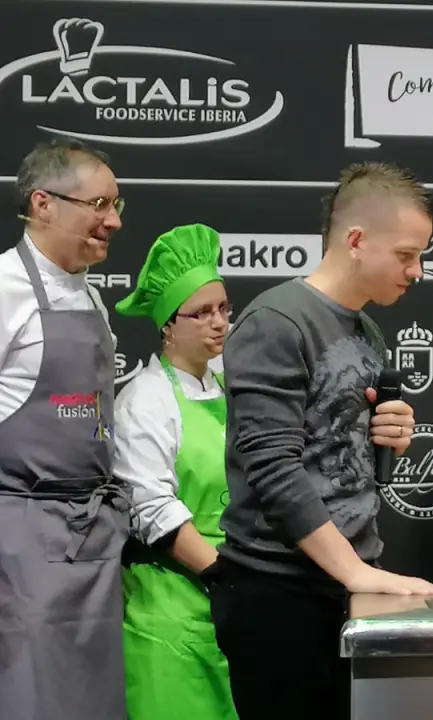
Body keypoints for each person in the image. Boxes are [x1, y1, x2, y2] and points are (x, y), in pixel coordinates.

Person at [207, 162, 433, 720]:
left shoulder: (367, 331)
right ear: (356, 241)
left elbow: (334, 443)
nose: (417, 271)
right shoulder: (276, 321)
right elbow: (274, 470)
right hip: (277, 592)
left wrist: (386, 432)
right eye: (406, 255)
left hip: (345, 583)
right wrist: (356, 573)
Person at [0, 138, 128, 720]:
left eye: (117, 204)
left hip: (92, 542)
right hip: (21, 547)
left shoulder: (93, 300)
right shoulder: (5, 289)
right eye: (99, 204)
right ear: (42, 203)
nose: (114, 220)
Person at [112, 223, 236, 719]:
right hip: (169, 609)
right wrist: (224, 576)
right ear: (168, 324)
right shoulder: (145, 399)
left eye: (223, 308)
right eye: (201, 313)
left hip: (231, 612)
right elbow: (151, 506)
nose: (218, 323)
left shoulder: (231, 387)